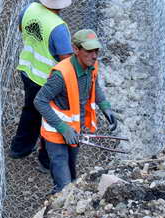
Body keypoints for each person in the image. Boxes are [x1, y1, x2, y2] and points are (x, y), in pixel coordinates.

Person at [34, 29, 117, 193]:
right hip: (56, 132)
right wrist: (62, 127)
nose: (94, 56)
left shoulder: (91, 66)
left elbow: (95, 86)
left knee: (72, 170)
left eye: (96, 51)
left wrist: (106, 107)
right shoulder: (61, 75)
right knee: (64, 181)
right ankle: (60, 198)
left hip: (75, 130)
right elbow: (40, 101)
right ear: (76, 49)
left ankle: (64, 192)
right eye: (89, 51)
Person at [8, 0, 73, 171]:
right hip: (47, 80)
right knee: (51, 118)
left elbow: (22, 29)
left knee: (30, 110)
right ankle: (47, 161)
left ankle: (19, 148)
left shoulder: (29, 9)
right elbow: (66, 60)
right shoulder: (58, 27)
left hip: (27, 70)